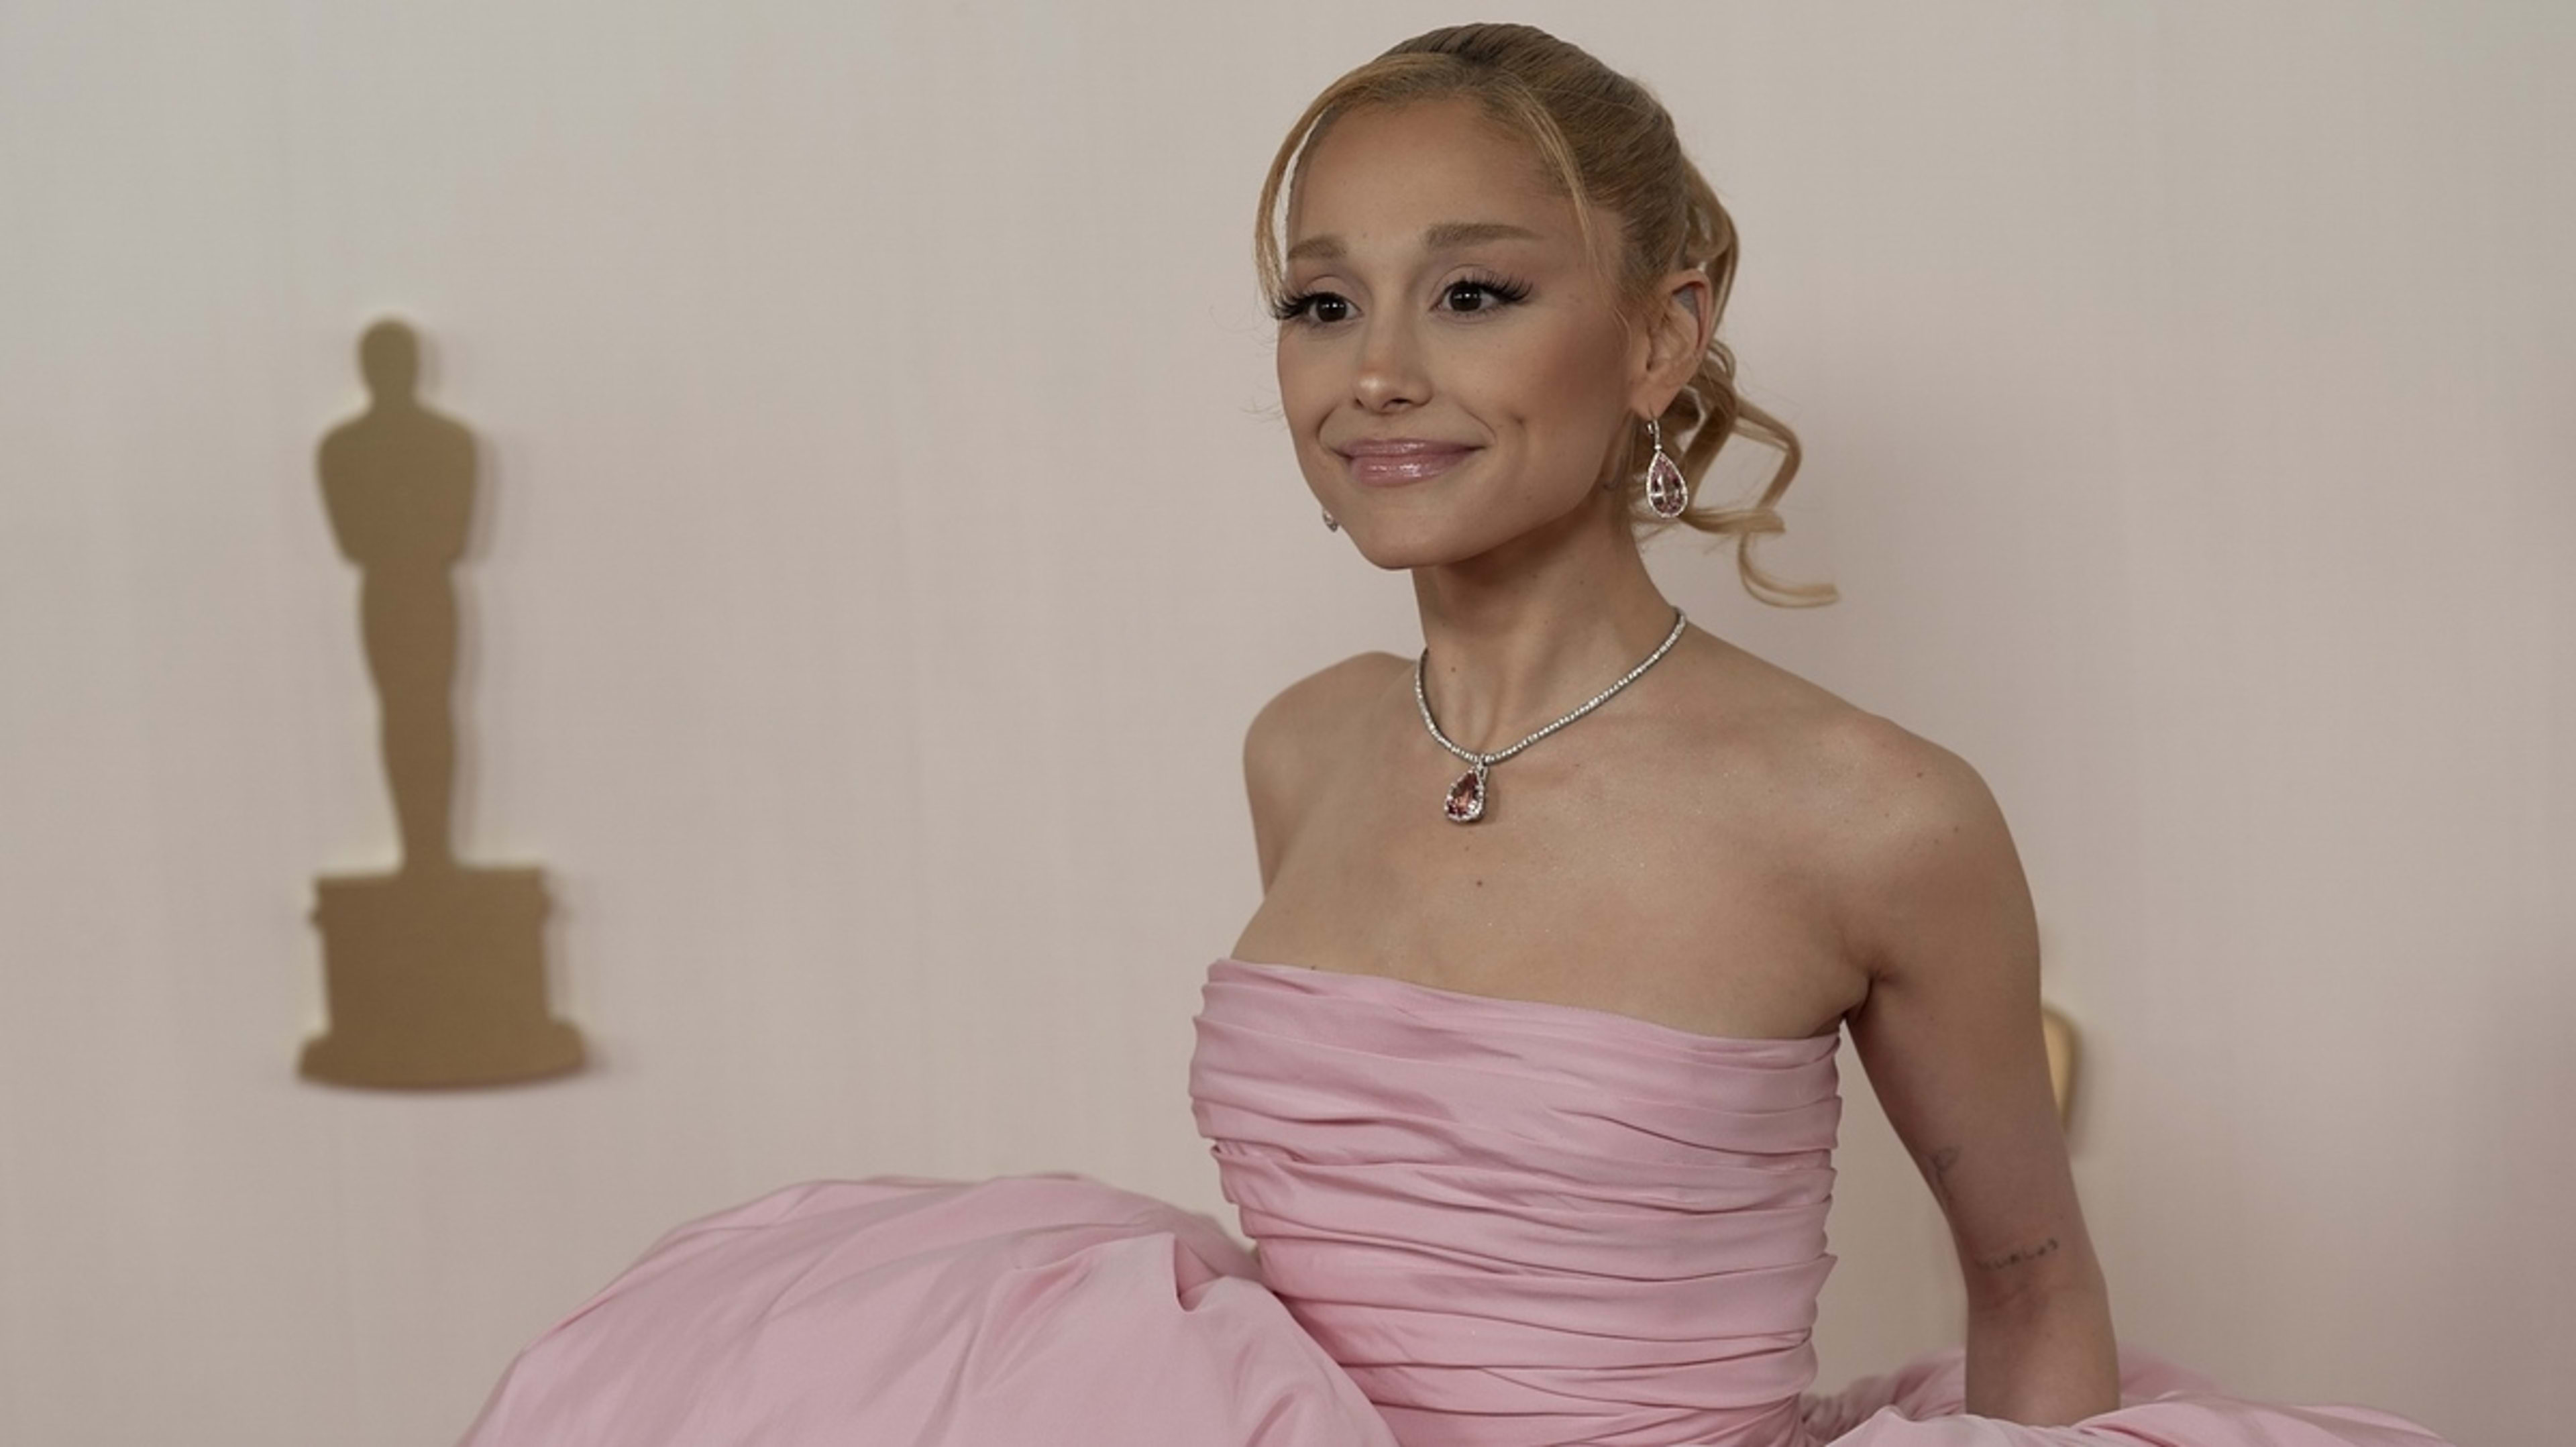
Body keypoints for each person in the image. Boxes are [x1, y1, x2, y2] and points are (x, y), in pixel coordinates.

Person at [457, 23, 2458, 1447]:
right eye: (1321, 308)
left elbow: (2031, 1290)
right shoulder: (1307, 749)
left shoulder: (1871, 811)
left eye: (1477, 291)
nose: (1380, 374)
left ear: (1661, 339)